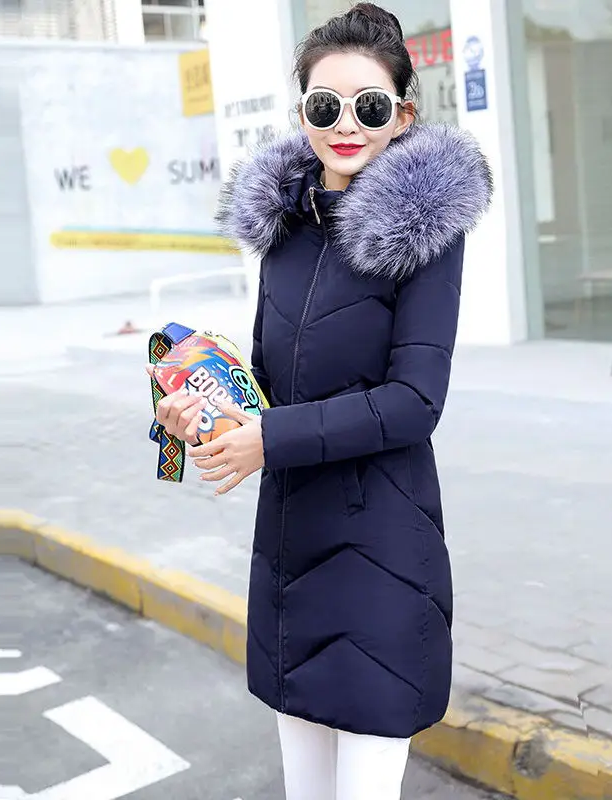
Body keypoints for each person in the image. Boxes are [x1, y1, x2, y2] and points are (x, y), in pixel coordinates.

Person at [152, 4, 493, 798]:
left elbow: (415, 401)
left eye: (369, 106)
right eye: (324, 104)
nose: (345, 124)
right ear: (301, 109)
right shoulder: (285, 229)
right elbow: (268, 385)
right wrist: (200, 412)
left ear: (402, 114)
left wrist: (269, 439)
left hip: (382, 547)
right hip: (290, 546)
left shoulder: (424, 233)